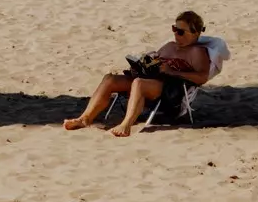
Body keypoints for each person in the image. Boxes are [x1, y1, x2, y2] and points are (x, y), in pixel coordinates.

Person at [64, 11, 214, 137]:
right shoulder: (170, 46)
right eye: (175, 29)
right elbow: (155, 61)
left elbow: (202, 77)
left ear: (196, 33)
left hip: (172, 90)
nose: (176, 34)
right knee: (110, 79)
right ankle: (85, 119)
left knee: (139, 83)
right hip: (152, 79)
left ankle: (126, 125)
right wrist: (142, 66)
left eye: (181, 32)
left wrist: (172, 71)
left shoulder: (198, 52)